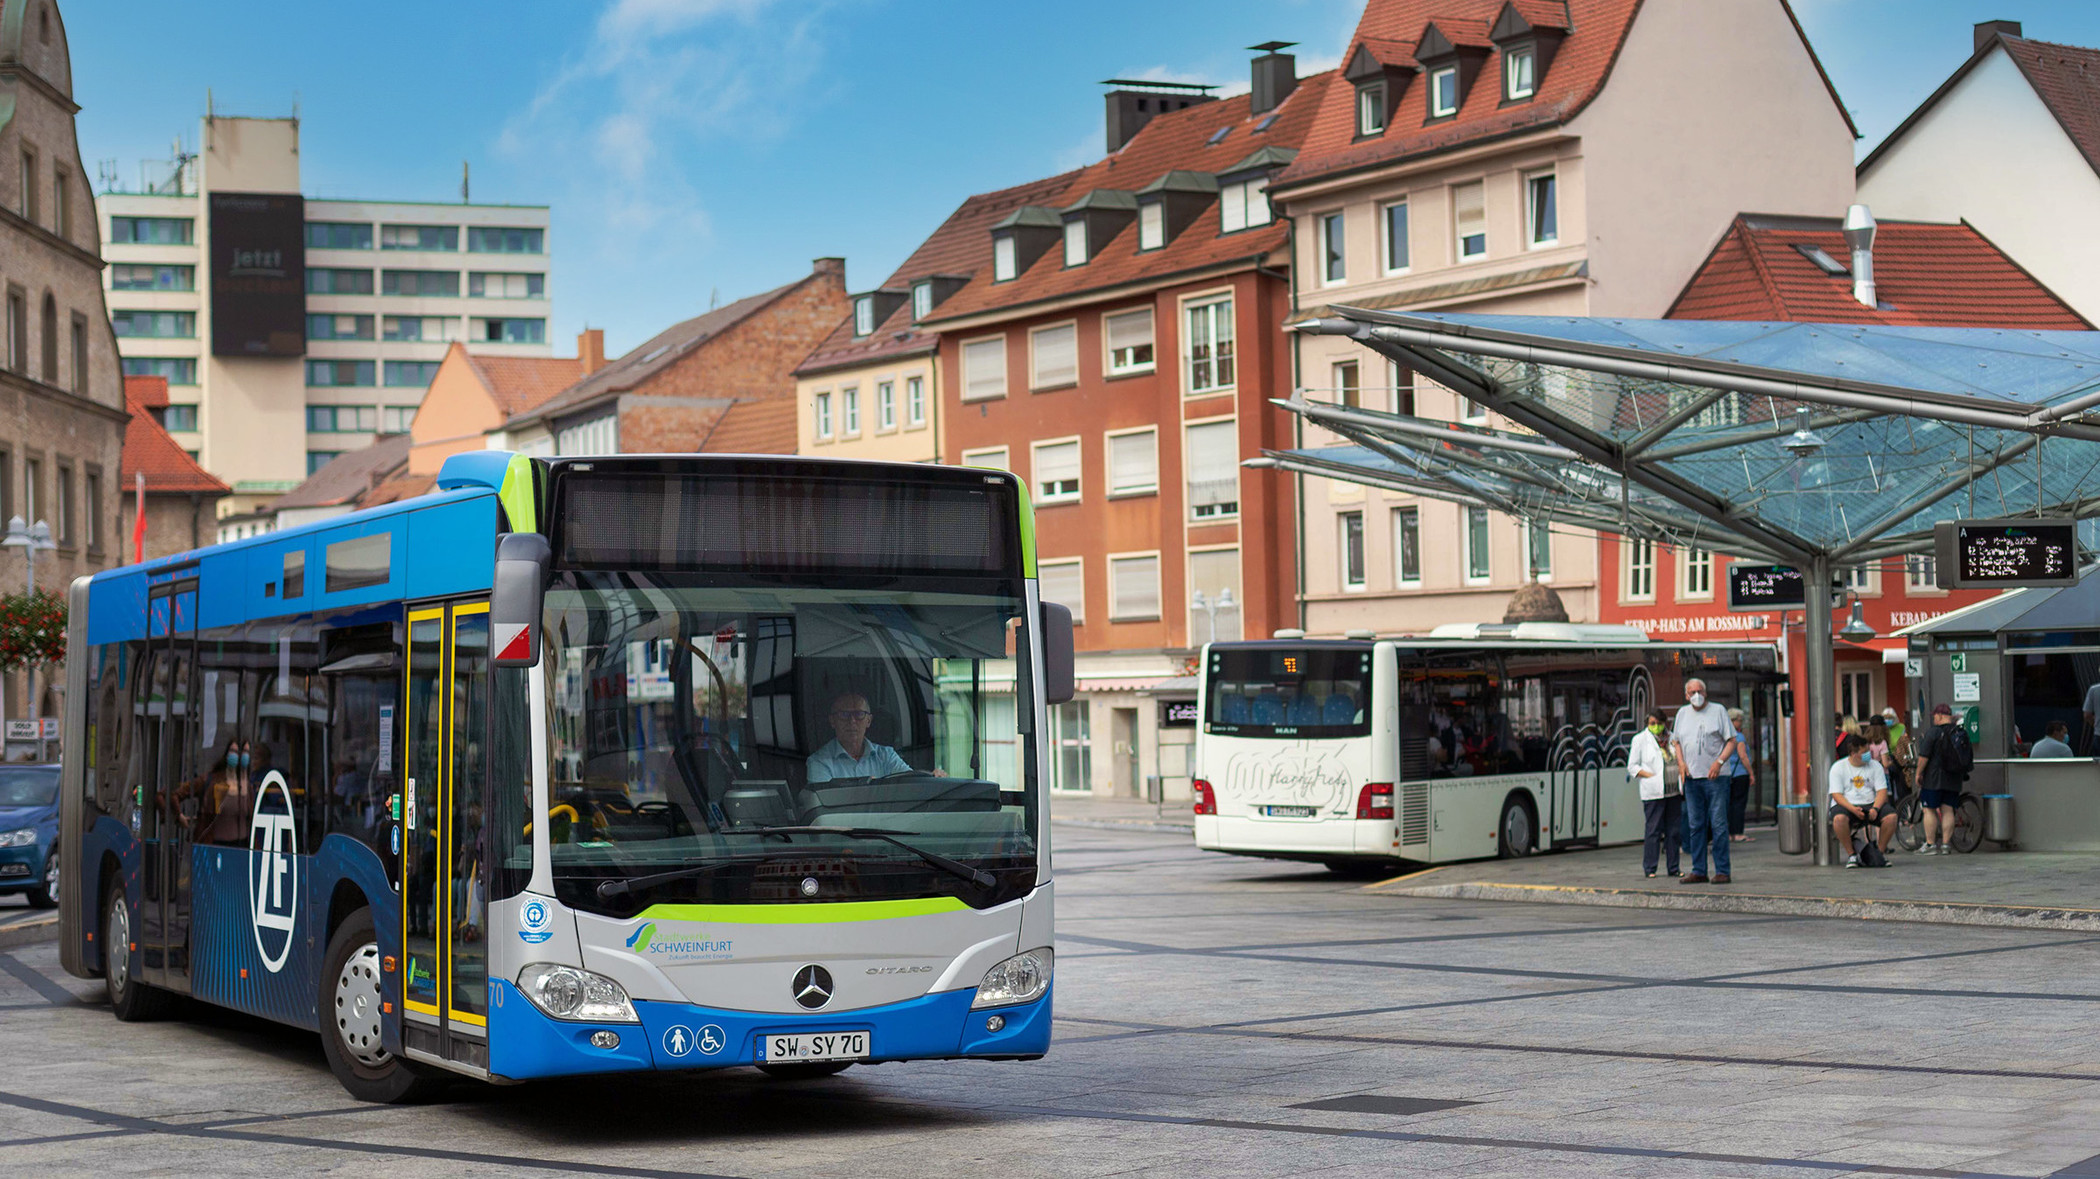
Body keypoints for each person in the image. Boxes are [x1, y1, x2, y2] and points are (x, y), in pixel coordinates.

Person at [1670, 678, 1741, 885]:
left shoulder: (1718, 711)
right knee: (1695, 825)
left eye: (1699, 691)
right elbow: (1677, 742)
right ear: (1686, 695)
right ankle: (1699, 869)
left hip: (1716, 778)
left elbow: (1732, 741)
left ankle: (1722, 870)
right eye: (1692, 692)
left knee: (1718, 824)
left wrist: (1719, 762)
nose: (1696, 695)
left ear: (1706, 692)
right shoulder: (1682, 713)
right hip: (1692, 778)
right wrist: (1681, 763)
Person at [807, 690, 912, 783]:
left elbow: (912, 784)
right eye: (844, 714)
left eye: (859, 714)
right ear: (832, 721)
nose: (852, 721)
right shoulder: (819, 761)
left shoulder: (887, 756)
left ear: (869, 721)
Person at [1912, 703, 1970, 855]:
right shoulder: (1959, 731)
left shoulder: (1933, 732)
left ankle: (1931, 845)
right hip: (1954, 777)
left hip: (1934, 778)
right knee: (1948, 810)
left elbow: (1924, 756)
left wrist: (1918, 773)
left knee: (1929, 810)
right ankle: (1945, 845)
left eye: (1934, 716)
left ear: (1939, 715)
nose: (1934, 719)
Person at [1628, 710, 1678, 879]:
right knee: (1653, 830)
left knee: (1673, 831)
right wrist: (1649, 775)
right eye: (1652, 723)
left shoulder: (1673, 738)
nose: (1656, 727)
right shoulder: (1640, 740)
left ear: (1665, 722)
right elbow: (1632, 766)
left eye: (1658, 723)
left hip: (1673, 791)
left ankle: (1674, 868)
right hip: (1653, 791)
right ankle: (1650, 868)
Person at [1828, 742, 1896, 868]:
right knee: (1839, 819)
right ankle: (1851, 854)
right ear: (1853, 754)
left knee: (1891, 817)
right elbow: (1837, 795)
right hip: (1847, 803)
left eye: (1868, 752)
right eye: (1864, 753)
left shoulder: (1876, 766)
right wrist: (1853, 809)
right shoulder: (1838, 767)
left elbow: (1882, 791)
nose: (1868, 755)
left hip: (1870, 802)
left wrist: (1875, 809)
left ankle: (1879, 853)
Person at [1724, 707, 1754, 843]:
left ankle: (1730, 832)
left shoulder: (1724, 736)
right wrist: (1751, 773)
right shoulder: (1739, 737)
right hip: (1740, 774)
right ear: (1733, 721)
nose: (1741, 723)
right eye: (1740, 720)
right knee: (1739, 804)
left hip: (1728, 774)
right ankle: (1737, 833)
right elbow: (1743, 756)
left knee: (1730, 804)